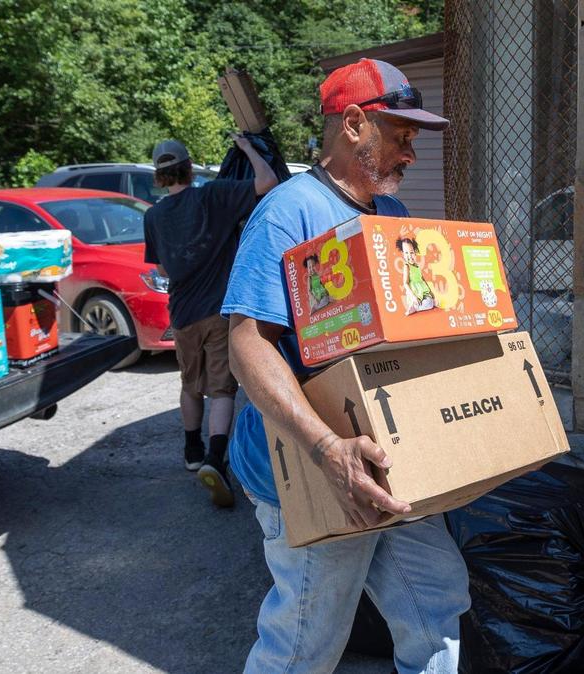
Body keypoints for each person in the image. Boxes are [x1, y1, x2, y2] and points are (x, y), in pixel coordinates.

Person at [222, 59, 470, 673]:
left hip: (389, 462)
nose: (411, 154)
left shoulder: (393, 218)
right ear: (354, 123)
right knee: (306, 639)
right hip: (310, 466)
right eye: (401, 135)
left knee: (436, 601)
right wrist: (326, 447)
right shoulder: (289, 212)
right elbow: (247, 343)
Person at [142, 135, 278, 507]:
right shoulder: (212, 196)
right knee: (222, 390)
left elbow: (162, 267)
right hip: (219, 311)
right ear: (188, 167)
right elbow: (267, 184)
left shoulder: (153, 216)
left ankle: (191, 450)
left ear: (159, 175)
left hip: (182, 312)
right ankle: (215, 459)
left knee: (190, 383)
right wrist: (248, 148)